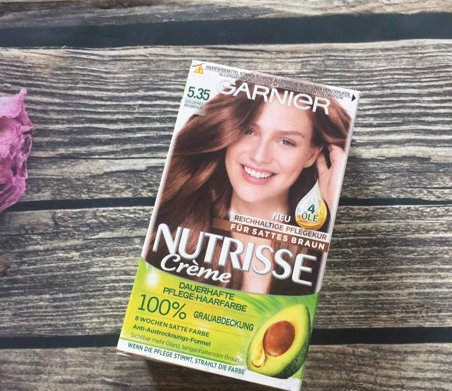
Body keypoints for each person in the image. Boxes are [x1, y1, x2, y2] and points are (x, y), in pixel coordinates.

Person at [146, 81, 351, 295]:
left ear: (311, 154)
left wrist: (332, 204)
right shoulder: (172, 222)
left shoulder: (320, 250)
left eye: (285, 142)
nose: (259, 156)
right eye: (249, 131)